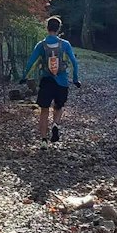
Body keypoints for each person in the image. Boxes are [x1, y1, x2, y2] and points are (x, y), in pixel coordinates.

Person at [19, 16, 80, 144]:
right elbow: (74, 62)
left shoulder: (41, 45)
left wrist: (24, 77)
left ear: (47, 28)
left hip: (46, 81)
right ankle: (55, 125)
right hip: (62, 81)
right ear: (58, 29)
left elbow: (31, 62)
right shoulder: (65, 44)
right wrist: (75, 79)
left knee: (44, 111)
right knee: (59, 106)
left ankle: (43, 140)